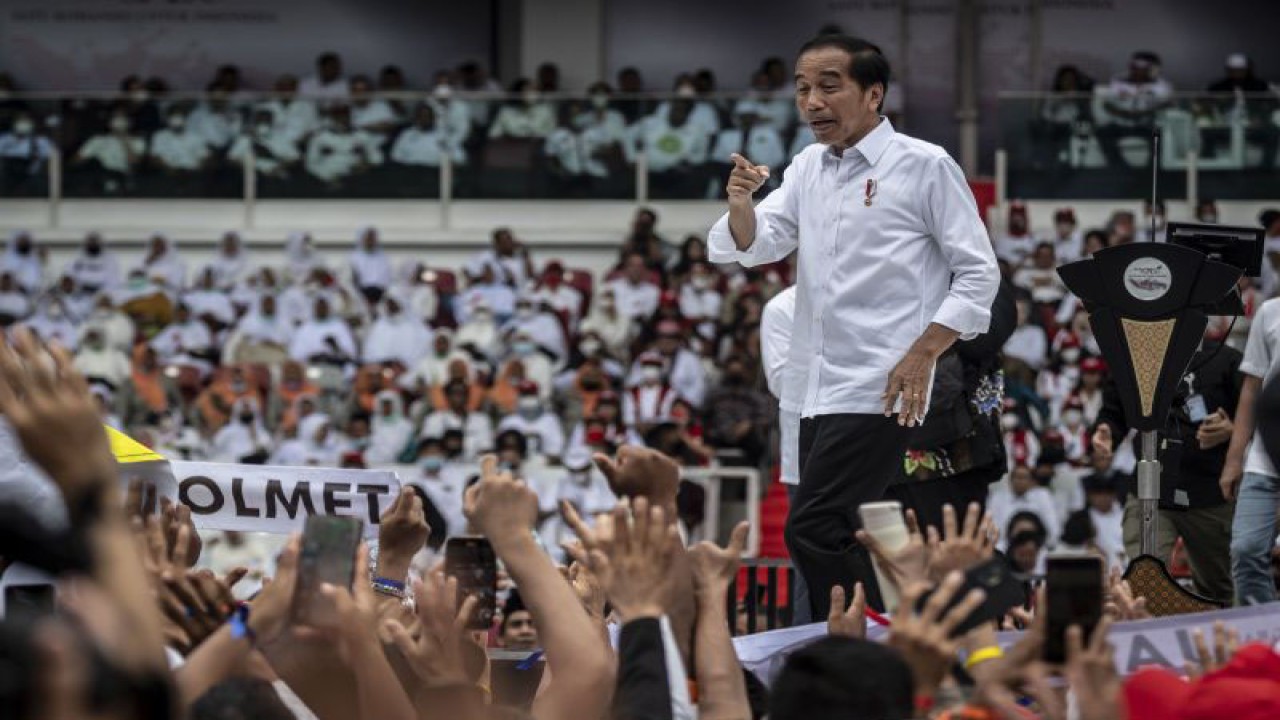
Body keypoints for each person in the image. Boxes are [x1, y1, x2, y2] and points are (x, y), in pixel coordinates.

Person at [709, 34, 999, 615]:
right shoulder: (808, 167)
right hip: (814, 390)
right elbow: (757, 242)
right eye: (802, 88)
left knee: (813, 529)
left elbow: (978, 275)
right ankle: (873, 642)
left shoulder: (925, 165)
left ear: (874, 94)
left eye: (828, 86)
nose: (811, 101)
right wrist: (742, 201)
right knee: (836, 532)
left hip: (880, 386)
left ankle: (857, 653)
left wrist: (924, 354)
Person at [1093, 327, 1242, 605]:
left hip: (1210, 495)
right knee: (1144, 584)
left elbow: (1255, 413)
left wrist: (1233, 430)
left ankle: (1217, 644)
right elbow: (1114, 410)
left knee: (1219, 588)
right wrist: (1106, 432)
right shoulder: (1134, 359)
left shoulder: (1227, 359)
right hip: (1152, 491)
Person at [1222, 297, 1280, 605]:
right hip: (1264, 460)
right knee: (1245, 550)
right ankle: (1265, 635)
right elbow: (1251, 388)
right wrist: (1234, 460)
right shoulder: (1271, 312)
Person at [1096, 51, 1173, 169]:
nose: (1136, 70)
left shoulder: (1160, 85)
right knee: (1103, 132)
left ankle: (1152, 171)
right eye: (1134, 66)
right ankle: (1119, 167)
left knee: (1158, 135)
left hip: (1146, 124)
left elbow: (1168, 104)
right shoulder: (1118, 81)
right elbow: (1107, 104)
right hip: (1121, 123)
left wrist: (1146, 112)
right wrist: (1122, 112)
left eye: (1142, 67)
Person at [1205, 53, 1278, 169]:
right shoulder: (1217, 86)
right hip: (1226, 127)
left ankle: (1266, 170)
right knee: (1207, 133)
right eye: (1233, 70)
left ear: (1247, 70)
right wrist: (1218, 103)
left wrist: (1261, 116)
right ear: (1228, 70)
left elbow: (1273, 103)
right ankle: (1208, 167)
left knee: (1273, 133)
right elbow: (1206, 104)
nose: (1237, 73)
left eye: (1240, 70)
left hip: (1254, 127)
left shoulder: (1260, 85)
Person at [349, 225, 393, 306]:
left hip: (380, 295)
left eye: (373, 238)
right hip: (360, 295)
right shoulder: (353, 258)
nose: (371, 241)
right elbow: (351, 279)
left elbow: (387, 279)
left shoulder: (383, 258)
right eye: (368, 238)